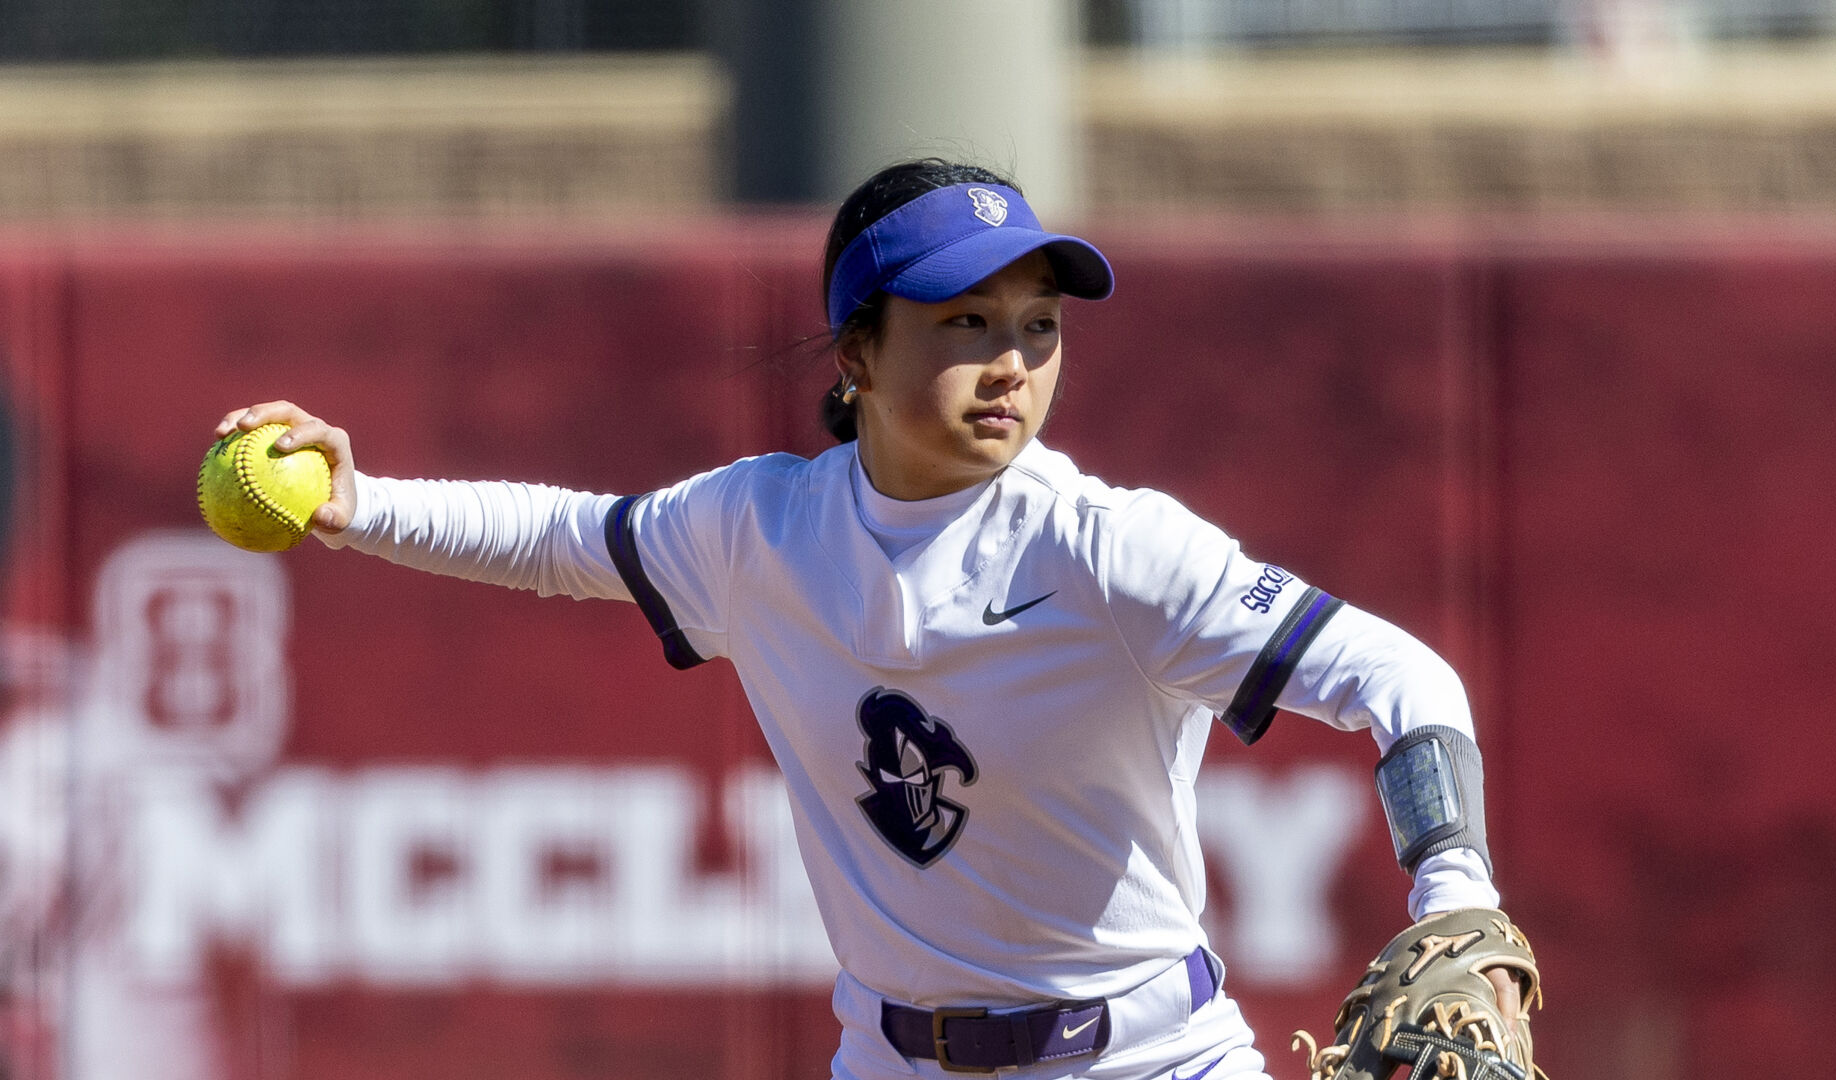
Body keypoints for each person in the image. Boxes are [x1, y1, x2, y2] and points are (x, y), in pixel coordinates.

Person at [215, 159, 1532, 1080]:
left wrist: (1452, 893)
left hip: (1149, 1060)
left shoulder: (1107, 547)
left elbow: (1399, 677)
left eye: (1039, 323)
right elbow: (569, 541)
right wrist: (358, 500)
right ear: (856, 352)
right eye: (966, 320)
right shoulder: (762, 530)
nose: (1013, 361)